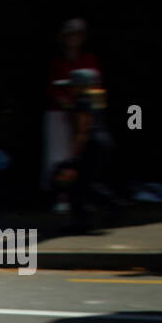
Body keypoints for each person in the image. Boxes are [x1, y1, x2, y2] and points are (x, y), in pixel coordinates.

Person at [43, 19, 102, 209]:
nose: (73, 38)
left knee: (81, 154)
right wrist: (65, 103)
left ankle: (84, 197)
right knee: (59, 156)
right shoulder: (57, 62)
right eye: (69, 34)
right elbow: (52, 88)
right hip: (59, 113)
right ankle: (62, 197)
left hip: (83, 113)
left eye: (77, 34)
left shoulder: (89, 59)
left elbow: (96, 89)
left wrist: (89, 110)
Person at [55, 67, 117, 232]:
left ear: (82, 86)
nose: (70, 89)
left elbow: (83, 130)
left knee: (82, 182)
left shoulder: (83, 101)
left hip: (92, 144)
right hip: (103, 142)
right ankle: (83, 222)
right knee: (84, 183)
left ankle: (111, 205)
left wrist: (74, 154)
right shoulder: (97, 99)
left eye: (73, 86)